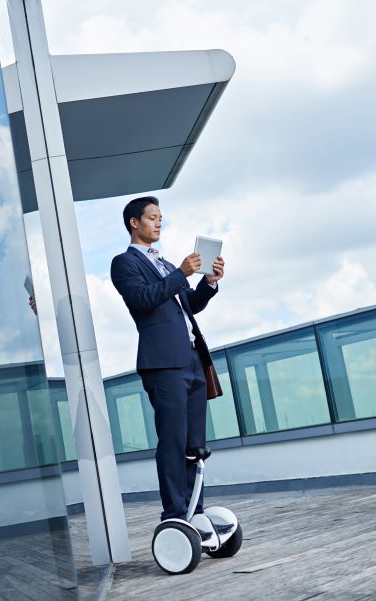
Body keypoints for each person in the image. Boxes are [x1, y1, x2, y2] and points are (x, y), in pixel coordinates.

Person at [110, 196, 225, 522]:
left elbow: (189, 304)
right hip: (163, 365)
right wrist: (180, 272)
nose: (159, 223)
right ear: (135, 222)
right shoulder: (124, 262)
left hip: (191, 360)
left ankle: (196, 512)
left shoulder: (163, 263)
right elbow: (143, 299)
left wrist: (207, 281)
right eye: (152, 217)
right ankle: (175, 515)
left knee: (194, 445)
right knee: (173, 441)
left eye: (161, 218)